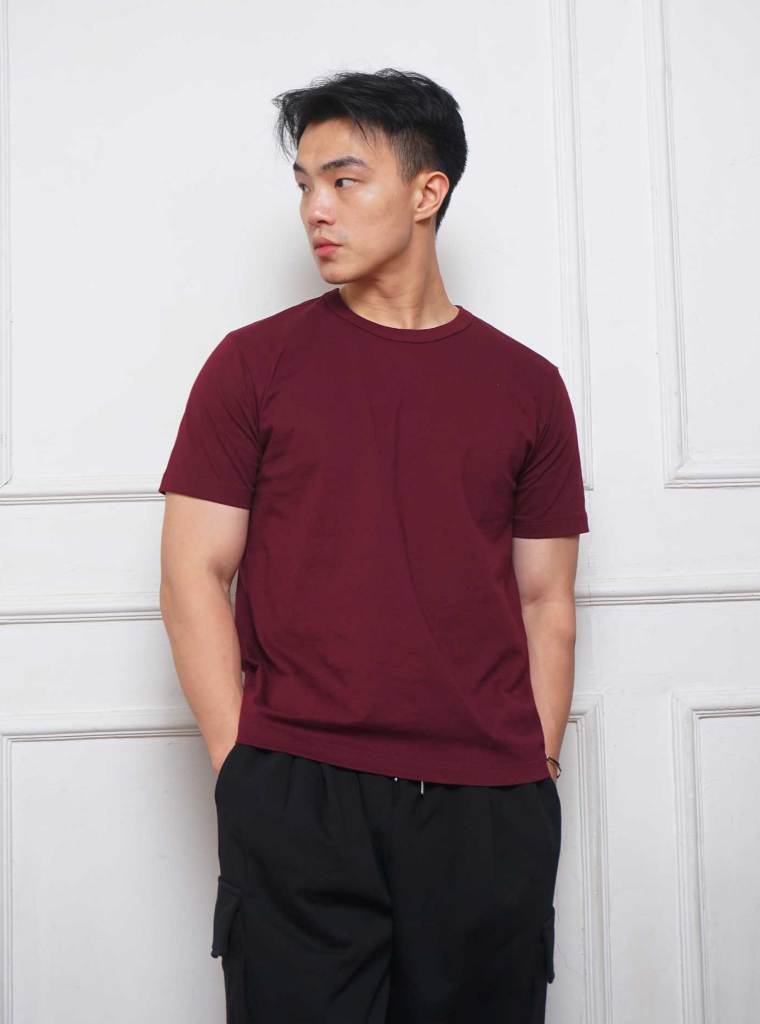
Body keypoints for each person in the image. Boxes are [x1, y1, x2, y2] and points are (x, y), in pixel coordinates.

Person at [158, 67, 589, 1024]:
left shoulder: (528, 385)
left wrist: (537, 770)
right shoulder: (252, 365)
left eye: (344, 180)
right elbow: (194, 572)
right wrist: (244, 770)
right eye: (305, 184)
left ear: (427, 192)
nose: (315, 208)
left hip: (488, 802)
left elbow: (546, 599)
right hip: (299, 788)